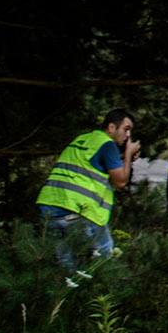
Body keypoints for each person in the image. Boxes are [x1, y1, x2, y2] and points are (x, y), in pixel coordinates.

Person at [36, 107, 140, 272]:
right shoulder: (107, 145)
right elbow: (120, 181)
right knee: (104, 259)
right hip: (77, 210)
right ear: (112, 127)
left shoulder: (83, 139)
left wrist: (122, 159)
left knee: (66, 267)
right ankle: (100, 293)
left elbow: (90, 167)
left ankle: (69, 296)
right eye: (126, 129)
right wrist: (128, 155)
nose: (128, 136)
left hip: (49, 208)